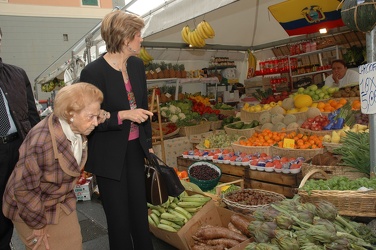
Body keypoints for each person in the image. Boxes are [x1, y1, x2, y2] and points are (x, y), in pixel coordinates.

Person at [79, 10, 154, 250]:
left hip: (135, 150)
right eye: (137, 34)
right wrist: (122, 115)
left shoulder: (137, 65)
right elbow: (88, 119)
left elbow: (144, 108)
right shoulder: (92, 72)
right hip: (109, 156)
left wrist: (148, 143)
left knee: (140, 217)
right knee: (119, 220)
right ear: (124, 38)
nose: (141, 39)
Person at [2, 83, 106, 250]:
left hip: (59, 199)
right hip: (29, 207)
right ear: (70, 114)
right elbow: (24, 190)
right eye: (91, 116)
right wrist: (37, 224)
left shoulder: (76, 125)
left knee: (74, 244)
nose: (96, 122)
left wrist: (101, 114)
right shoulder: (42, 142)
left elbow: (98, 115)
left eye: (97, 115)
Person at [0, 27, 41, 250]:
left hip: (19, 148)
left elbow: (32, 115)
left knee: (27, 203)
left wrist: (38, 148)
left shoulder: (16, 74)